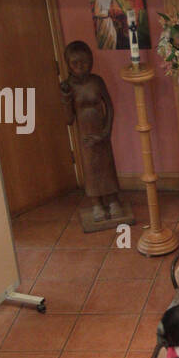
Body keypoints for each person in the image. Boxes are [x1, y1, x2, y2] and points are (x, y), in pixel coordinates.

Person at [59, 41, 125, 223]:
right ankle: (97, 203)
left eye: (85, 63)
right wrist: (65, 99)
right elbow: (68, 120)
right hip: (85, 136)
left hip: (101, 133)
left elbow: (109, 107)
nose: (81, 67)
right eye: (75, 64)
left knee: (107, 167)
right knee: (91, 169)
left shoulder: (97, 81)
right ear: (68, 65)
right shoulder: (68, 87)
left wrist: (106, 132)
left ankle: (112, 200)